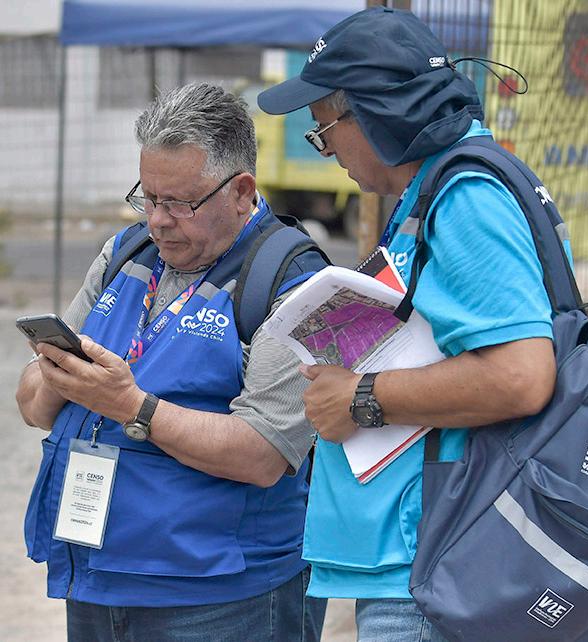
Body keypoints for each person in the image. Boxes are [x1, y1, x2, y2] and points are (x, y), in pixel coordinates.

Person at [257, 7, 559, 641]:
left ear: (377, 111)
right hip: (427, 558)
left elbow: (521, 375)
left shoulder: (465, 197)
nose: (326, 150)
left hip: (435, 565)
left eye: (324, 129)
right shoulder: (438, 190)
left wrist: (361, 397)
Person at [16, 83, 327, 642]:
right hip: (96, 576)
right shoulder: (125, 254)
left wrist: (131, 406)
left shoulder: (294, 282)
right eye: (148, 197)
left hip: (221, 598)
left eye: (179, 204)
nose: (158, 220)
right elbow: (34, 405)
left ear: (241, 192)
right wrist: (58, 378)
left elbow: (263, 453)